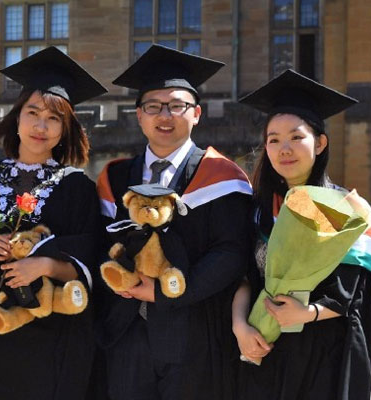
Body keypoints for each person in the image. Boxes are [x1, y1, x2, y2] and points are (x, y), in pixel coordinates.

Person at [0, 47, 107, 399]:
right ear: (16, 118)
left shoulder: (77, 187)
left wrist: (44, 264)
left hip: (50, 337)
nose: (40, 126)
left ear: (65, 129)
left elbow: (91, 263)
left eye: (54, 118)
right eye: (32, 113)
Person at [95, 44, 253, 400]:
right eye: (153, 106)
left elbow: (230, 252)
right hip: (125, 335)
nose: (164, 115)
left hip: (194, 335)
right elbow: (99, 242)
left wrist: (167, 292)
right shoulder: (115, 176)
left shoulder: (223, 177)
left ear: (196, 113)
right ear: (139, 116)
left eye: (177, 106)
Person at [232, 70, 371, 400]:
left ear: (321, 142)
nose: (284, 148)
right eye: (273, 139)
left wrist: (307, 312)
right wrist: (240, 326)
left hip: (322, 351)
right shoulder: (257, 210)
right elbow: (244, 277)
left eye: (296, 137)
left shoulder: (347, 209)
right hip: (264, 345)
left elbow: (353, 290)